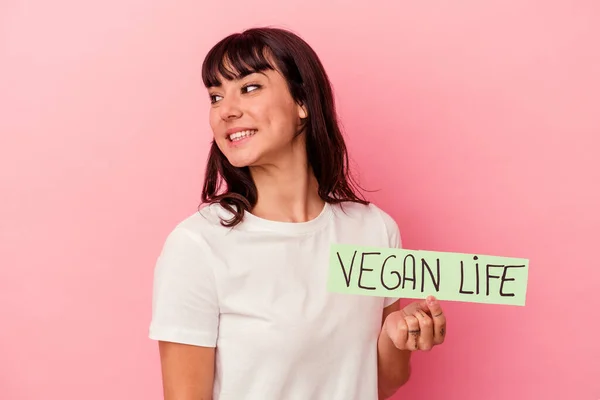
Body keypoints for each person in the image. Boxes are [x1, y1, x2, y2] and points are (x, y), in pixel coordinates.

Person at [148, 26, 447, 400]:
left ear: (302, 102)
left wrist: (399, 337)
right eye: (215, 96)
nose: (226, 110)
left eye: (250, 87)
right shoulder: (197, 246)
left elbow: (380, 383)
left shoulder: (374, 230)